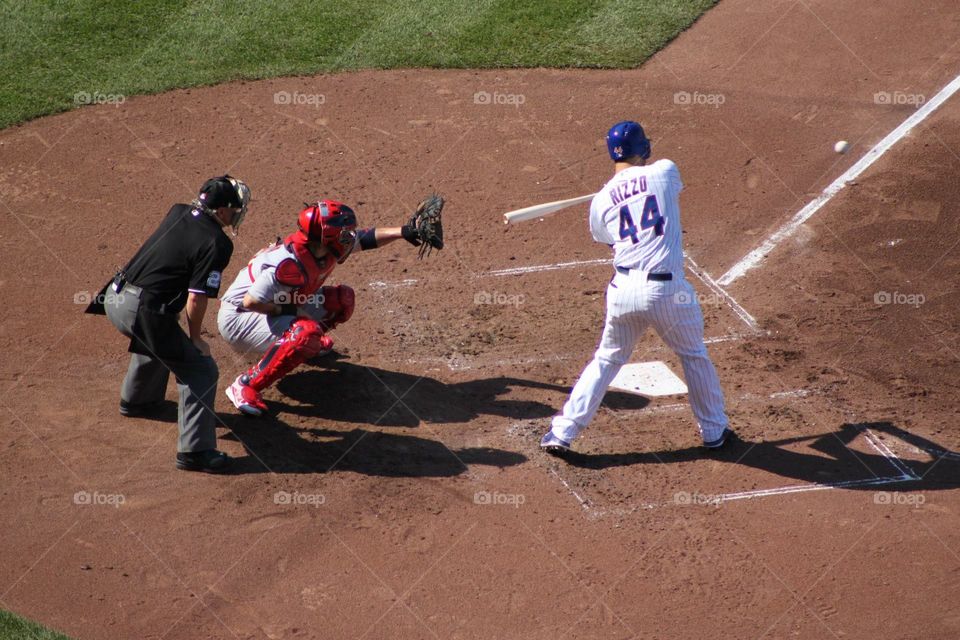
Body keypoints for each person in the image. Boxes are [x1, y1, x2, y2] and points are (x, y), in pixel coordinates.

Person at [540, 121, 731, 456]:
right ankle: (714, 431)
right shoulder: (665, 172)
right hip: (668, 292)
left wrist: (611, 196)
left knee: (606, 359)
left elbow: (605, 237)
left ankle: (562, 432)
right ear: (642, 148)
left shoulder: (599, 201)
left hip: (623, 290)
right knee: (693, 355)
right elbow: (666, 191)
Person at [86, 175, 250, 473]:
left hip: (113, 296)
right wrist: (196, 338)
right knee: (200, 368)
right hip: (141, 311)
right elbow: (197, 298)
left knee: (162, 334)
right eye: (235, 208)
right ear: (223, 211)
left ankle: (138, 401)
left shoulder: (179, 211)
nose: (238, 213)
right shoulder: (217, 243)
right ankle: (196, 453)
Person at [218, 198, 438, 416]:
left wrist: (404, 231)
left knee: (341, 300)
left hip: (278, 304)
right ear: (327, 237)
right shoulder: (288, 264)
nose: (349, 236)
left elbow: (365, 239)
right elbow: (252, 301)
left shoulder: (322, 247)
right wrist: (294, 312)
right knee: (304, 334)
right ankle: (246, 384)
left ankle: (302, 344)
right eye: (344, 233)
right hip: (240, 319)